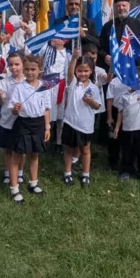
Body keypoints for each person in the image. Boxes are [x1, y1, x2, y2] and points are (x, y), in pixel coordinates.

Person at [8, 54, 51, 203]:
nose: (30, 72)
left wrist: (47, 127)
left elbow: (46, 109)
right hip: (23, 124)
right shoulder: (19, 88)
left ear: (40, 70)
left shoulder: (45, 86)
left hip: (38, 124)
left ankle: (33, 183)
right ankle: (14, 188)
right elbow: (13, 110)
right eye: (27, 69)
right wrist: (16, 108)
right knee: (16, 156)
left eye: (33, 69)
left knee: (34, 154)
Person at [61, 51, 102, 186]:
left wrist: (90, 102)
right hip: (70, 123)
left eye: (86, 71)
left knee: (85, 150)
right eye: (80, 71)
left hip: (85, 125)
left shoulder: (94, 88)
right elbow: (69, 72)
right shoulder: (73, 83)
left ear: (91, 71)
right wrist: (73, 58)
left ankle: (86, 174)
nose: (82, 74)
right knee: (68, 149)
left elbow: (97, 106)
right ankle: (67, 173)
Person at [113, 57, 140, 184]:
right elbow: (120, 112)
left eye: (139, 81)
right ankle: (126, 170)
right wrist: (117, 128)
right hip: (127, 129)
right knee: (127, 151)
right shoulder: (124, 96)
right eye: (133, 80)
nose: (136, 83)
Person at [0, 50, 26, 187]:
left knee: (21, 150)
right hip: (7, 120)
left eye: (17, 64)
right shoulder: (4, 82)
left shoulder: (28, 81)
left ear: (23, 64)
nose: (13, 67)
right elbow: (2, 102)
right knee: (8, 149)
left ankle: (19, 172)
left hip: (23, 121)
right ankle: (8, 173)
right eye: (10, 65)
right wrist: (0, 97)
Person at [98, 0, 140, 67]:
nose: (121, 8)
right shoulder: (107, 26)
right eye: (118, 6)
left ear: (129, 6)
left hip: (134, 66)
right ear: (114, 8)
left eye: (124, 5)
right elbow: (100, 47)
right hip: (112, 67)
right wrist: (105, 56)